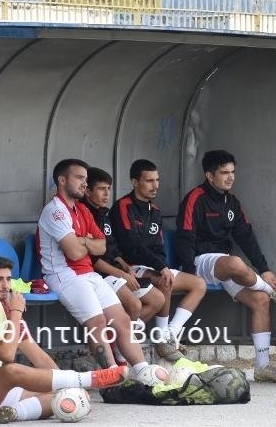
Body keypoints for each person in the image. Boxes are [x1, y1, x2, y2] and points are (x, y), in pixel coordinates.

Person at [36, 158, 165, 386]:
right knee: (97, 323)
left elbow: (101, 245)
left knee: (123, 320)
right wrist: (87, 243)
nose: (84, 184)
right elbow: (74, 253)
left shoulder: (82, 210)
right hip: (63, 275)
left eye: (86, 179)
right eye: (79, 178)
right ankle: (111, 377)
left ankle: (143, 370)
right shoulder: (55, 211)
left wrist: (83, 240)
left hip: (88, 274)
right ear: (62, 180)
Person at [0, 255, 129, 423]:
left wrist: (68, 386)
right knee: (12, 370)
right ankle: (88, 379)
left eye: (8, 279)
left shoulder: (6, 310)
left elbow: (38, 356)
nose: (6, 286)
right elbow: (7, 355)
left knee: (72, 396)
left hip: (2, 393)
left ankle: (10, 413)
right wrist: (17, 313)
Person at [174, 149, 276, 382]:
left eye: (232, 172)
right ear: (209, 176)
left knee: (259, 300)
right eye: (224, 173)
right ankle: (275, 293)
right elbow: (184, 237)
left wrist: (264, 268)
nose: (230, 177)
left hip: (224, 266)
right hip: (199, 263)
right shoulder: (195, 198)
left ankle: (262, 367)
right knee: (236, 264)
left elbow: (246, 237)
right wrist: (189, 274)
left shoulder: (232, 202)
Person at [110, 160, 206, 360]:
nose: (155, 186)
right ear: (135, 182)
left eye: (157, 180)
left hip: (154, 266)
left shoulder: (154, 209)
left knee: (198, 284)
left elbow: (159, 246)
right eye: (149, 181)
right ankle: (158, 339)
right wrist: (161, 267)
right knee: (165, 280)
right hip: (129, 266)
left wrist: (162, 265)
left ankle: (169, 334)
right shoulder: (123, 206)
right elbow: (131, 245)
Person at [81, 167, 164, 324]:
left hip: (115, 271)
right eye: (101, 189)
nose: (107, 194)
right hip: (98, 275)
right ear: (87, 191)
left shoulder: (104, 214)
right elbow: (93, 261)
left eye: (108, 189)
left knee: (158, 300)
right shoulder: (84, 215)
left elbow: (113, 250)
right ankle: (122, 344)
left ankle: (124, 339)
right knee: (134, 305)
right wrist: (122, 275)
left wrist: (126, 267)